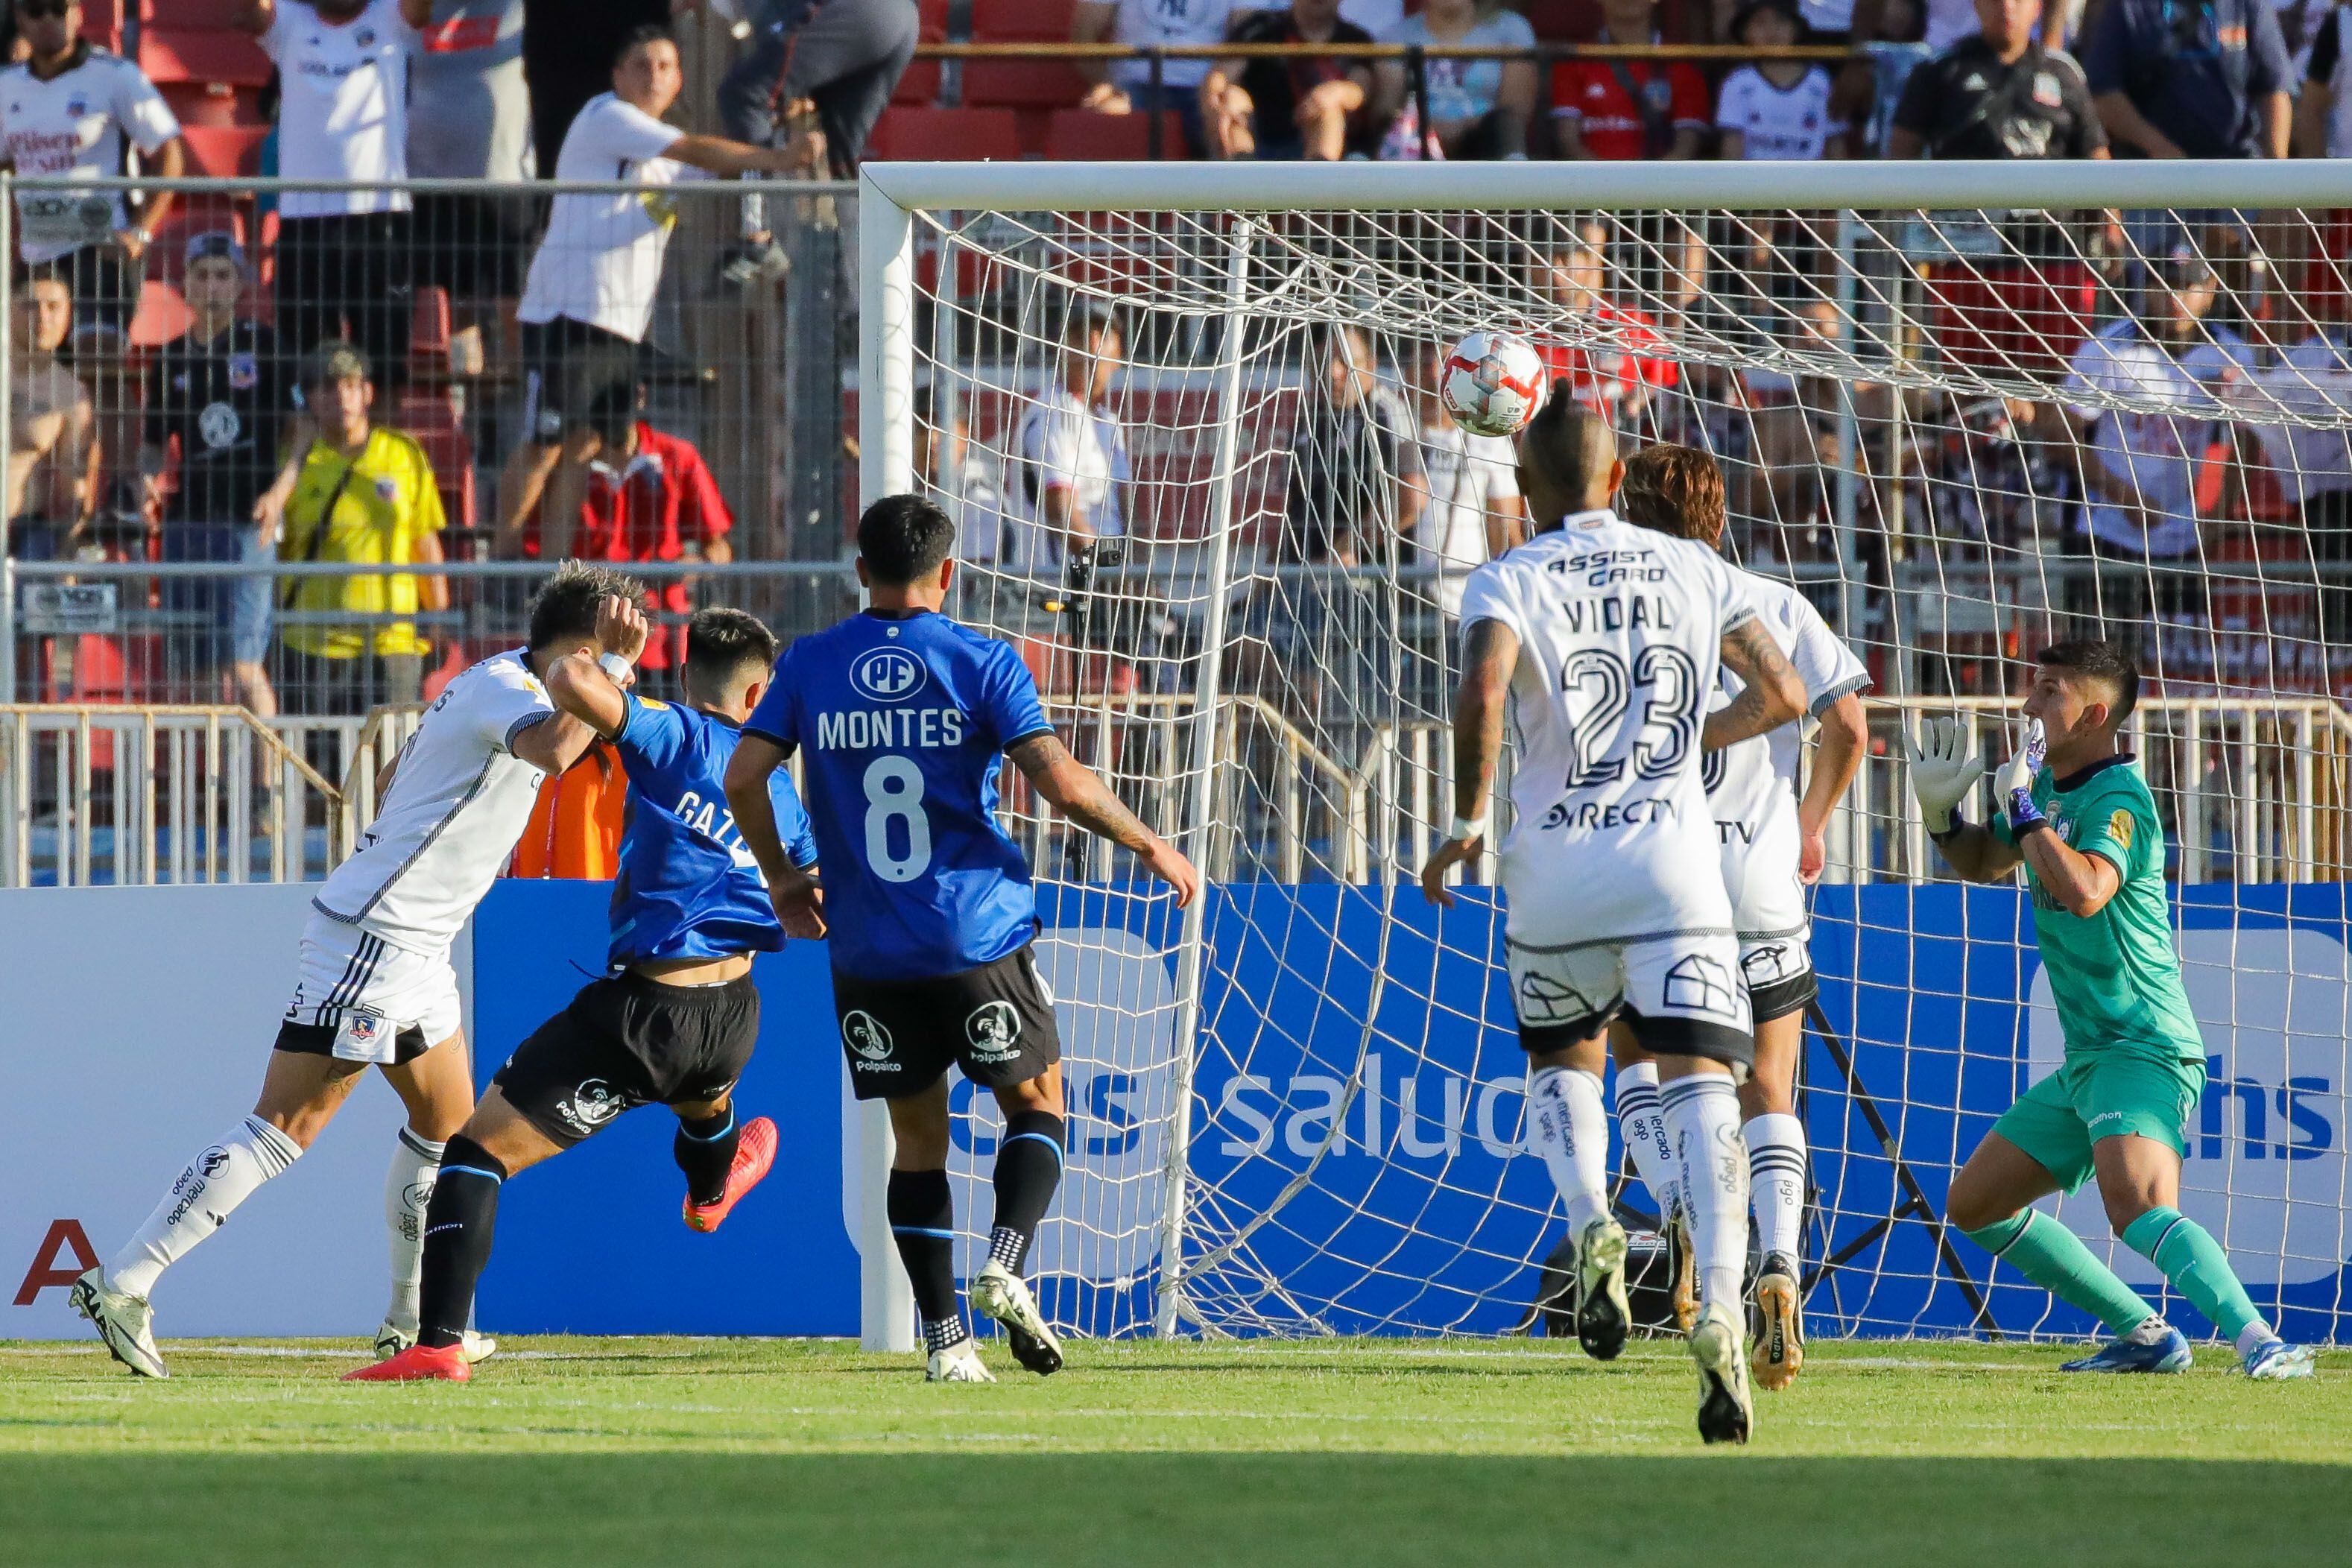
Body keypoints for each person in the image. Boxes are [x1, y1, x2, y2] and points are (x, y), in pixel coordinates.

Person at [71, 564, 648, 1379]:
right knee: (284, 1127)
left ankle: (411, 1324)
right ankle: (125, 1279)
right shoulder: (507, 688)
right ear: (584, 649)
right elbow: (555, 753)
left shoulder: (487, 682)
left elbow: (390, 780)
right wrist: (617, 673)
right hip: (378, 940)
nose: (620, 669)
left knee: (449, 1128)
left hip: (416, 943)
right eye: (611, 653)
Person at [724, 494, 1202, 1382]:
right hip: (973, 934)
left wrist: (785, 878)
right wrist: (1151, 842)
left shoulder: (810, 665)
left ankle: (946, 1344)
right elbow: (1059, 784)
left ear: (858, 571)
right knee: (1039, 1104)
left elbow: (745, 774)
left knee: (918, 1140)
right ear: (949, 574)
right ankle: (1007, 1262)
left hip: (867, 946)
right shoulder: (982, 659)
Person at [1418, 391, 1805, 1444]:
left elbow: (1484, 693)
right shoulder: (1694, 567)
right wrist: (1686, 743)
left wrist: (1465, 820)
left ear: (1523, 484)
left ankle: (1594, 1218)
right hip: (1678, 874)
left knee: (1568, 1060)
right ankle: (1720, 1300)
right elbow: (1780, 691)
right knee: (1705, 1089)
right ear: (1617, 477)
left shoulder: (1509, 576)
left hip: (1556, 870)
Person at [351, 607, 814, 1382]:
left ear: (688, 676)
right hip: (735, 1017)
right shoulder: (781, 795)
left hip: (647, 1014)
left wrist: (620, 657)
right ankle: (711, 1185)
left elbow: (566, 678)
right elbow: (817, 905)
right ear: (760, 694)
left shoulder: (673, 733)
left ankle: (435, 1345)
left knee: (474, 1151)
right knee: (703, 1100)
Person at [1909, 640, 2317, 1379]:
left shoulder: (2117, 797)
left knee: (2134, 1205)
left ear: (2094, 713)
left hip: (2144, 1044)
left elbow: (2087, 890)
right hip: (2090, 1058)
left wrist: (2026, 812)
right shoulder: (2041, 789)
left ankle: (2261, 1341)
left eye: (2048, 692)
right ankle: (2146, 1332)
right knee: (1974, 1203)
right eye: (2032, 689)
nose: (2028, 706)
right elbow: (1985, 862)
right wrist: (1944, 818)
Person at [1608, 443, 1869, 1394]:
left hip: (1655, 884)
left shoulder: (1623, 612)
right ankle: (1782, 1267)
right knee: (1770, 1087)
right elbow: (1847, 726)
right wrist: (1810, 825)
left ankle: (1680, 1207)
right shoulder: (1778, 604)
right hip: (1759, 884)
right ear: (1719, 519)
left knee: (1639, 1060)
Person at [496, 25, 803, 573]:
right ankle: (498, 571)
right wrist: (782, 158)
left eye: (664, 66)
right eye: (640, 65)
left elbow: (718, 163)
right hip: (568, 310)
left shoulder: (666, 155)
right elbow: (700, 150)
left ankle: (556, 579)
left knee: (585, 447)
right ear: (617, 77)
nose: (653, 76)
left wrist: (778, 122)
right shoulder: (606, 117)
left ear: (680, 77)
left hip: (620, 327)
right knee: (544, 442)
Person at [1887, 0, 2111, 379]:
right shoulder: (1942, 70)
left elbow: (2097, 158)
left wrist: (2110, 228)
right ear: (1976, 6)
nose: (2006, 8)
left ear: (2037, 8)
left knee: (2058, 393)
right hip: (1968, 264)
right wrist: (1917, 228)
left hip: (2053, 263)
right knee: (1968, 394)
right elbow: (1900, 157)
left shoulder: (2062, 73)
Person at [2052, 248, 2253, 640]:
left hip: (2181, 536)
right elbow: (2060, 433)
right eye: (2164, 286)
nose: (2175, 299)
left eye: (2188, 287)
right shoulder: (2110, 349)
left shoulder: (2231, 354)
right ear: (2146, 289)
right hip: (2107, 533)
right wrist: (2122, 494)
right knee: (2104, 665)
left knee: (2179, 666)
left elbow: (2248, 439)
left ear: (2210, 291)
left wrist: (2219, 515)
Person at [237, 0, 434, 379]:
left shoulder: (389, 16)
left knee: (384, 369)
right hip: (304, 221)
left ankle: (377, 440)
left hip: (380, 220)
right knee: (306, 367)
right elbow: (254, 10)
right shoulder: (291, 22)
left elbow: (420, 10)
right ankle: (313, 440)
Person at [140, 233, 290, 714]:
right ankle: (209, 787)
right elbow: (153, 443)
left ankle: (270, 789)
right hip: (190, 522)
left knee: (245, 666)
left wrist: (280, 492)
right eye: (201, 275)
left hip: (249, 520)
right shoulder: (170, 358)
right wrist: (145, 481)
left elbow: (302, 428)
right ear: (184, 284)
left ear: (241, 283)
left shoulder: (265, 346)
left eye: (222, 275)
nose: (211, 287)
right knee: (197, 671)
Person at [261, 341, 452, 715]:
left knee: (392, 762)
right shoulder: (293, 464)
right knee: (314, 764)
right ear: (309, 398)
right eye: (328, 387)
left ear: (368, 392)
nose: (341, 397)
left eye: (350, 385)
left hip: (392, 640)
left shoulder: (403, 454)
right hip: (312, 641)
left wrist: (439, 617)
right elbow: (271, 548)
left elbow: (424, 543)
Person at [502, 382, 736, 686]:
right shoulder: (567, 464)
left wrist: (688, 566)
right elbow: (546, 550)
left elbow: (719, 549)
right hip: (584, 639)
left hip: (659, 638)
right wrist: (573, 468)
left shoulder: (678, 457)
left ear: (640, 395)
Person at [0, 0, 184, 353]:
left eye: (59, 8)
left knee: (99, 367)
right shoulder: (7, 87)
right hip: (37, 255)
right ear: (20, 19)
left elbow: (169, 153)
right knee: (36, 375)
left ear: (78, 14)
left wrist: (141, 231)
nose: (49, 20)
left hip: (100, 250)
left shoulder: (116, 76)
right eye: (37, 11)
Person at [408, 0, 537, 376]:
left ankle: (521, 398)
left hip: (504, 177)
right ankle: (463, 408)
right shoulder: (409, 9)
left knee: (512, 296)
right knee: (454, 301)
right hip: (429, 179)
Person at [1010, 304, 1132, 641]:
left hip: (1109, 586)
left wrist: (1138, 573)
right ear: (1063, 347)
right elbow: (1063, 517)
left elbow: (1127, 512)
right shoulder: (1054, 412)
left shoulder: (1109, 423)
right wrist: (1117, 571)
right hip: (1062, 591)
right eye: (1081, 334)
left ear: (1119, 352)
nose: (1092, 344)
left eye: (1103, 334)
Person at [2083, 0, 2291, 162]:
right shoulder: (2128, 6)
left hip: (2236, 172)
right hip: (2152, 181)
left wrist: (2277, 173)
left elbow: (2274, 89)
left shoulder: (2246, 5)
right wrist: (2163, 151)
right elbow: (2104, 93)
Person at [1286, 323, 1422, 569]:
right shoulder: (1308, 421)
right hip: (1307, 576)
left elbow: (1411, 498)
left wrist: (1344, 548)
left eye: (1345, 362)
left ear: (1371, 365)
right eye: (1323, 361)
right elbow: (1292, 507)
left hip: (1370, 581)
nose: (1332, 372)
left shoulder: (1388, 413)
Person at [1407, 337, 1523, 620]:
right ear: (1408, 369)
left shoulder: (1488, 439)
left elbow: (1506, 531)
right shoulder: (1393, 429)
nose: (1434, 373)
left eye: (1446, 363)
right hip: (1395, 597)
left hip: (1463, 605)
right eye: (1425, 362)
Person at [1530, 221, 1678, 429]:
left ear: (1590, 262)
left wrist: (1636, 401)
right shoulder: (1524, 336)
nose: (1556, 273)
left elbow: (1666, 373)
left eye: (1565, 259)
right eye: (1542, 263)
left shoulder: (1628, 322)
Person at [1199, 0, 1374, 161]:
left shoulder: (1356, 39)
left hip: (1319, 142)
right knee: (1232, 98)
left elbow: (1360, 89)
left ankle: (1318, 182)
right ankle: (1244, 173)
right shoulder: (1260, 27)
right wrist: (1219, 103)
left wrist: (1337, 92)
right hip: (1259, 136)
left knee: (1329, 112)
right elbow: (1220, 77)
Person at [1369, 0, 1537, 160]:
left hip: (1483, 138)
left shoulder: (1511, 30)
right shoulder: (1395, 37)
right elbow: (1388, 106)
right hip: (1416, 139)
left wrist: (1462, 127)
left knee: (1504, 125)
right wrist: (1427, 128)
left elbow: (1515, 108)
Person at [4, 272, 95, 561]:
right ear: (8, 307)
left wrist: (67, 550)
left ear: (69, 316)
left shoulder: (70, 394)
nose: (42, 318)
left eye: (53, 307)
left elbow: (72, 485)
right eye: (30, 306)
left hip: (23, 532)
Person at [1548, 0, 1709, 161]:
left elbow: (1685, 148)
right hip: (1592, 182)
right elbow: (1569, 142)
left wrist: (1651, 184)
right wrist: (1605, 182)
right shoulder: (1574, 61)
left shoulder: (1683, 66)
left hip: (1659, 183)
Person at [1071, 0, 1233, 156]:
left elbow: (1249, 34)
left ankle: (1232, 180)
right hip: (1131, 83)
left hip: (1204, 87)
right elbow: (1082, 38)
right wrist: (1109, 83)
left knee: (1233, 112)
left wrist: (1215, 86)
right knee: (1109, 108)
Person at [1716, 0, 1849, 160]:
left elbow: (1834, 144)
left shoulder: (1820, 82)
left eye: (1781, 21)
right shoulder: (1738, 83)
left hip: (1810, 182)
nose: (1771, 31)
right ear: (1745, 32)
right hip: (1755, 182)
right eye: (1760, 22)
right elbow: (1732, 149)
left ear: (1796, 29)